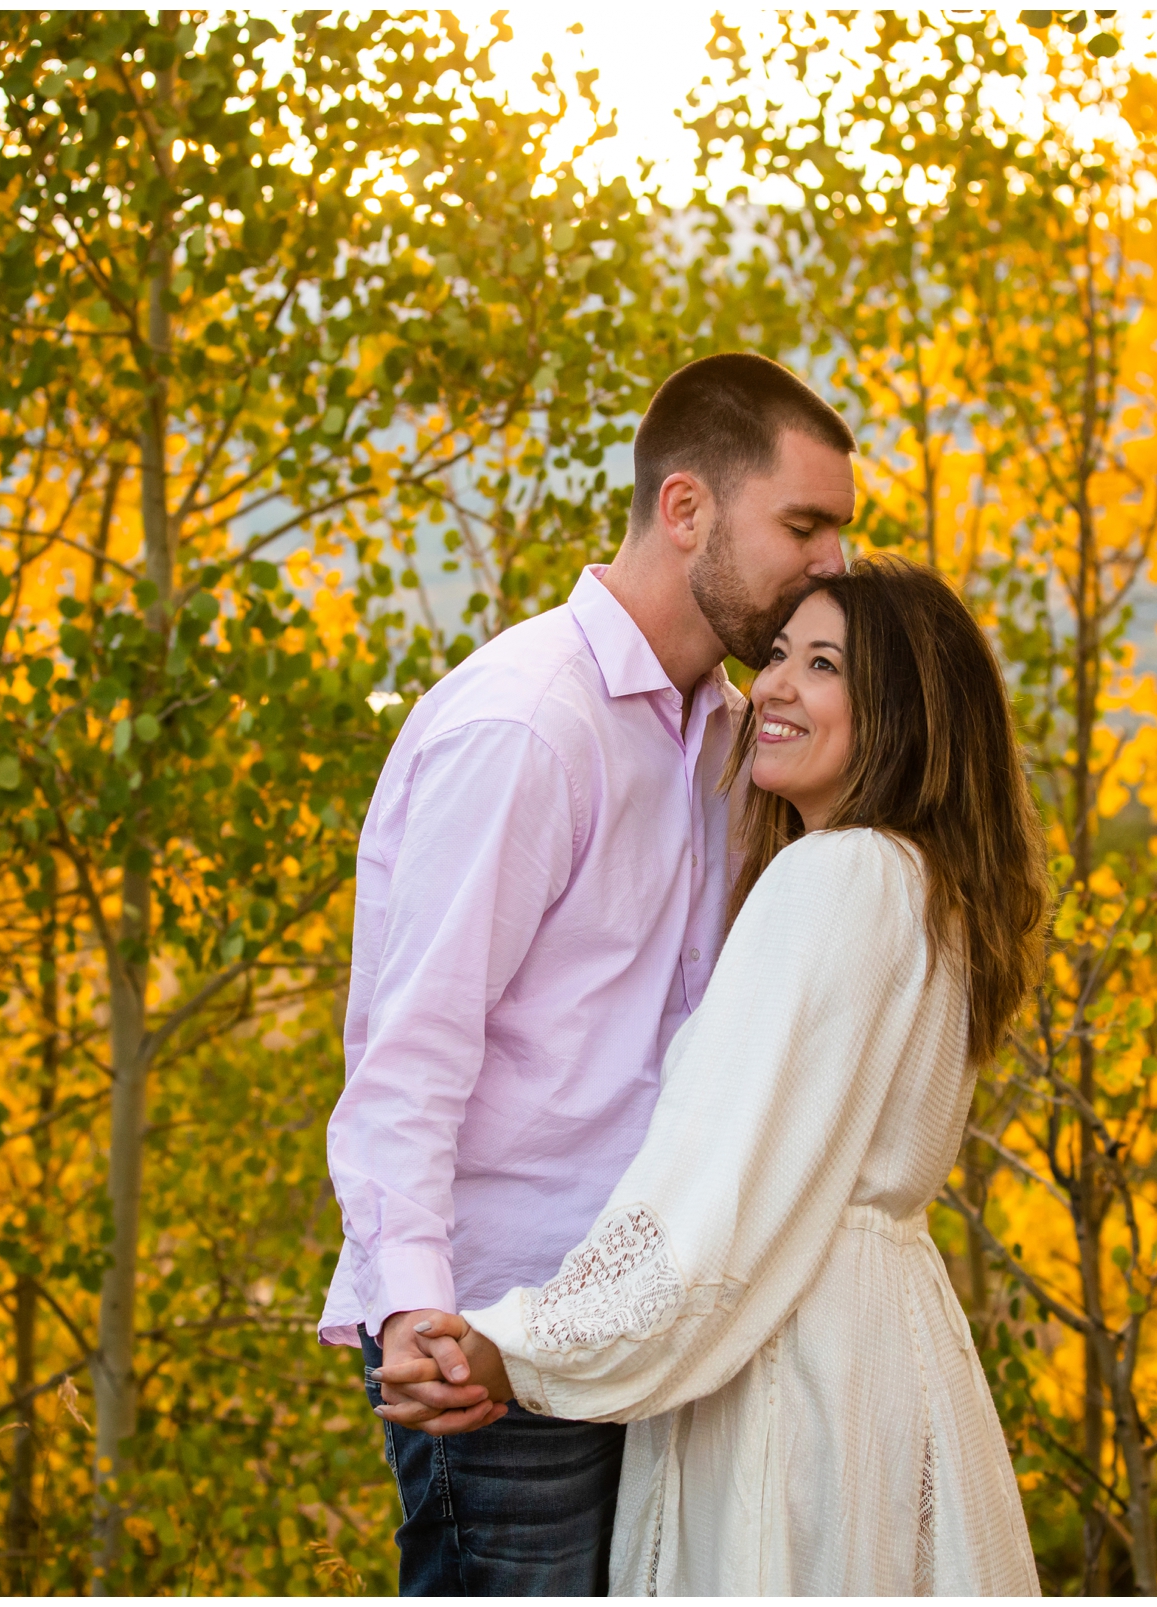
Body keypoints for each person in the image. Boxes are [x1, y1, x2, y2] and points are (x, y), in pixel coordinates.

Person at [378, 558, 1049, 1596]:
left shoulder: (833, 876)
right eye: (778, 653)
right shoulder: (933, 885)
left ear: (907, 711)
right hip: (888, 1346)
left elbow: (710, 1207)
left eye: (823, 665)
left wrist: (511, 1346)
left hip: (795, 1360)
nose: (771, 685)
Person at [316, 353, 858, 1595]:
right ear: (687, 510)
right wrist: (412, 1313)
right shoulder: (525, 724)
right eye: (805, 524)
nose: (833, 564)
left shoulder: (737, 736)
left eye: (841, 531)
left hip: (652, 1326)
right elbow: (411, 1052)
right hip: (492, 1338)